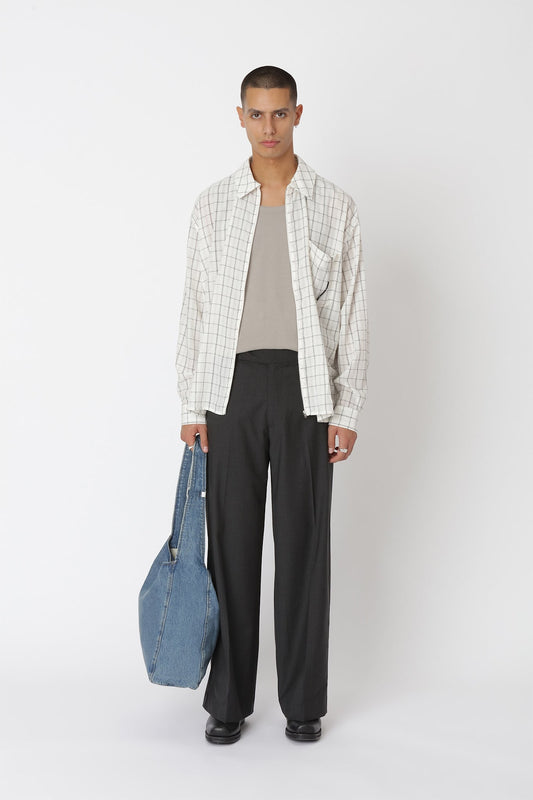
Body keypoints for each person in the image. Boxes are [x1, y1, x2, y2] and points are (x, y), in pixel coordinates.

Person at [175, 65, 369, 744]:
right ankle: (227, 702)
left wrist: (347, 409)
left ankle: (303, 703)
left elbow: (351, 314)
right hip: (228, 388)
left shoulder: (334, 206)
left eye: (279, 113)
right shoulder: (213, 205)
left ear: (297, 114)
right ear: (240, 117)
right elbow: (195, 309)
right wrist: (192, 402)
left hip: (304, 389)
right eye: (256, 114)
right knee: (229, 547)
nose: (268, 127)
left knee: (304, 547)